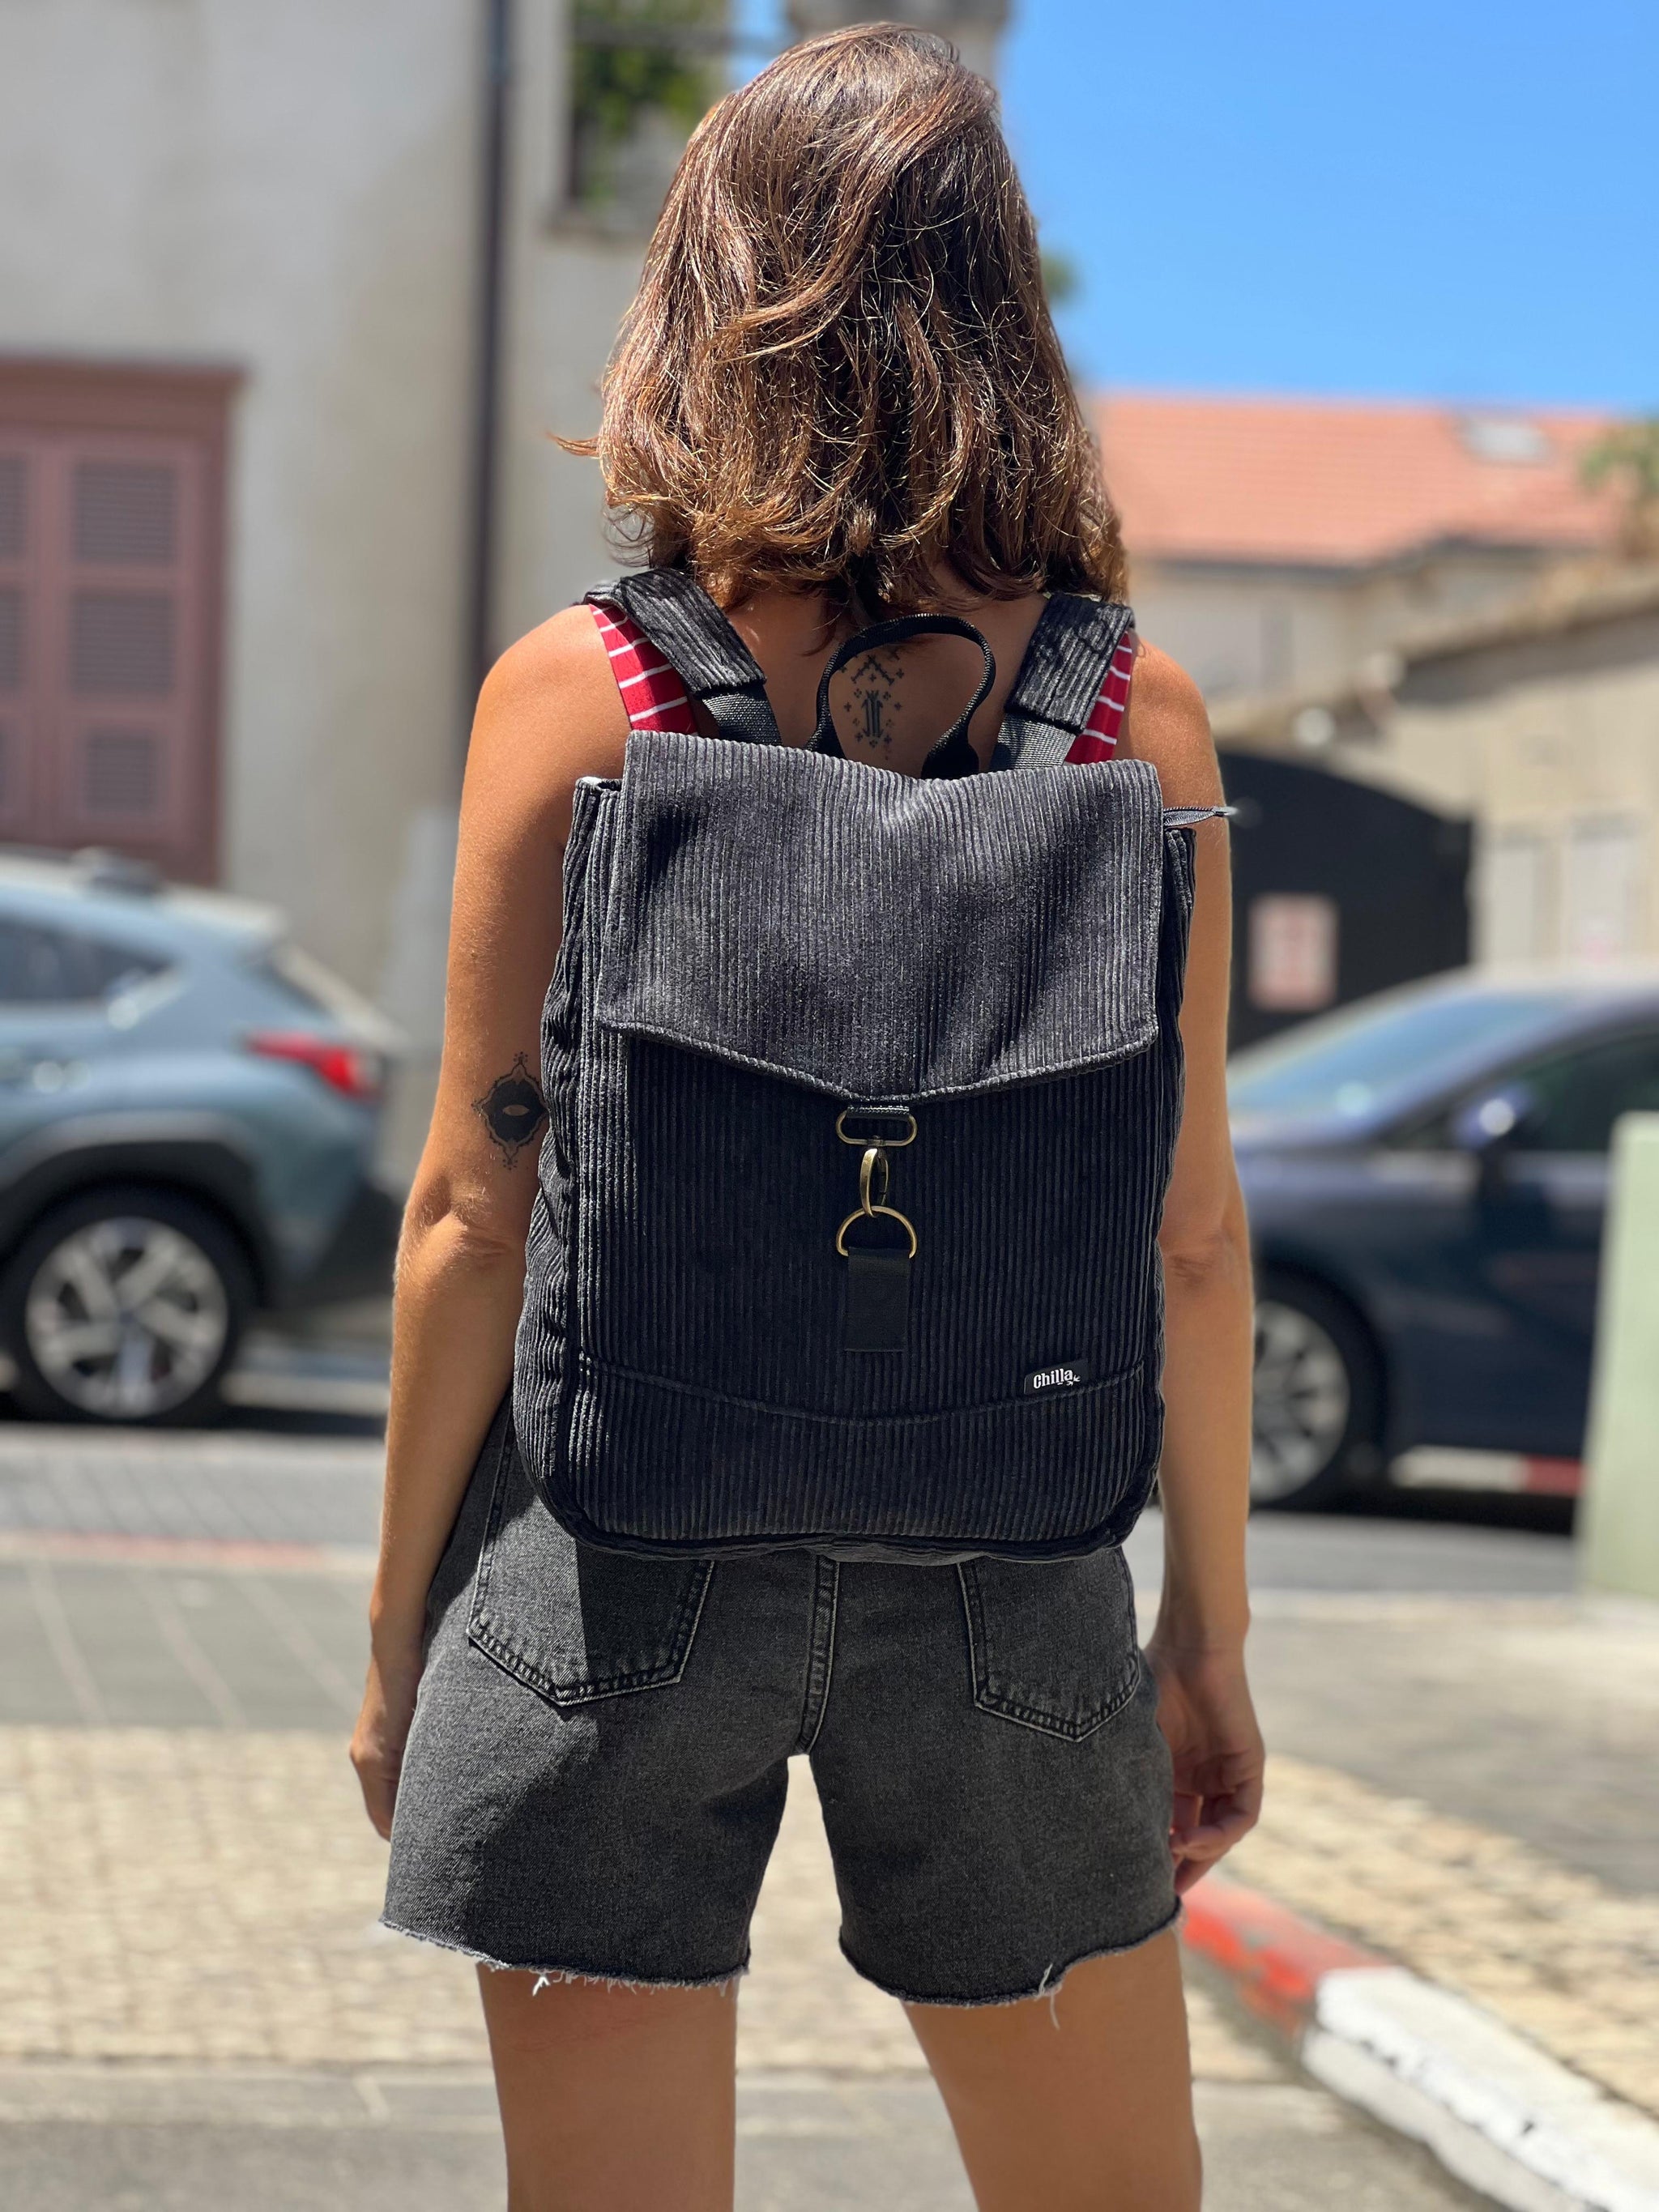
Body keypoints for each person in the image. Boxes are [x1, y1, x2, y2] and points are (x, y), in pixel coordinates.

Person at [351, 24, 1261, 2211]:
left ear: (711, 293)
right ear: (1005, 312)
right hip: (1014, 1552)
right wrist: (1206, 1633)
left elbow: (476, 1193)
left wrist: (400, 1629)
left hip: (614, 1546)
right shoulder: (1130, 718)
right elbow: (1192, 1232)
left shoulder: (585, 691)